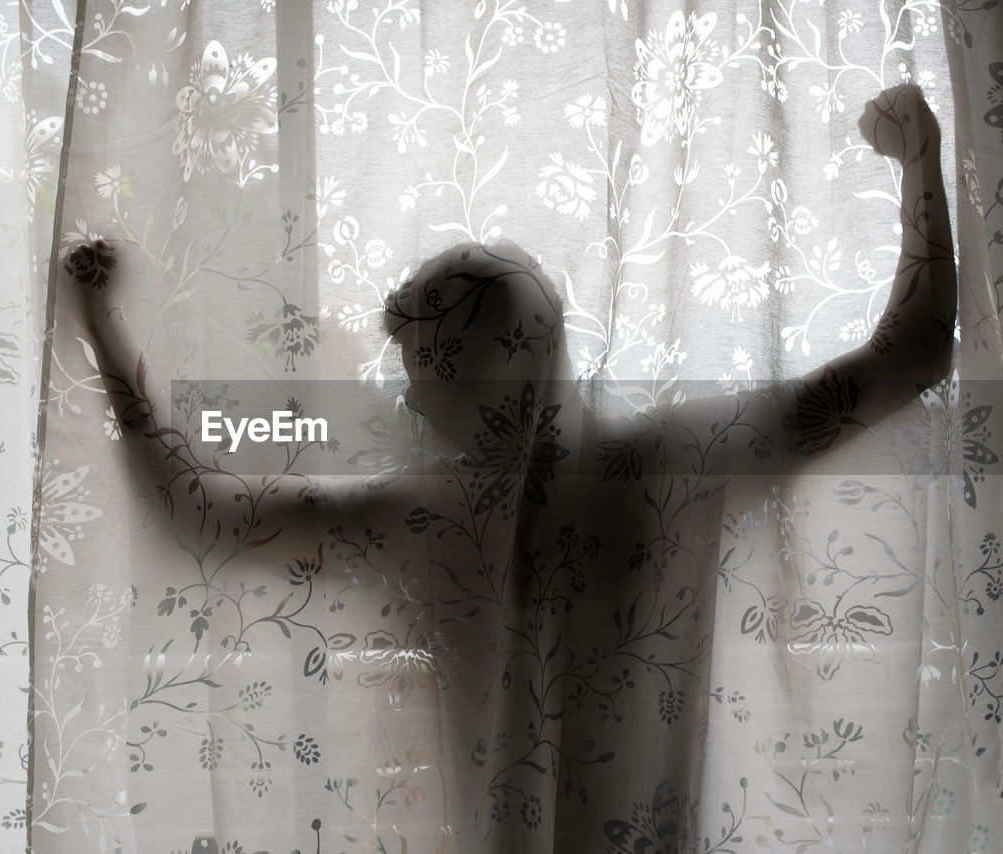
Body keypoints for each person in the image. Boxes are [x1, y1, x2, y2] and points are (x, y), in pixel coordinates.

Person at [65, 84, 954, 847]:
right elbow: (907, 359)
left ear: (485, 367)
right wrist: (920, 165)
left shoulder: (429, 516)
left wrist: (102, 326)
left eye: (423, 373)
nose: (409, 403)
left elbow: (197, 511)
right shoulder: (678, 464)